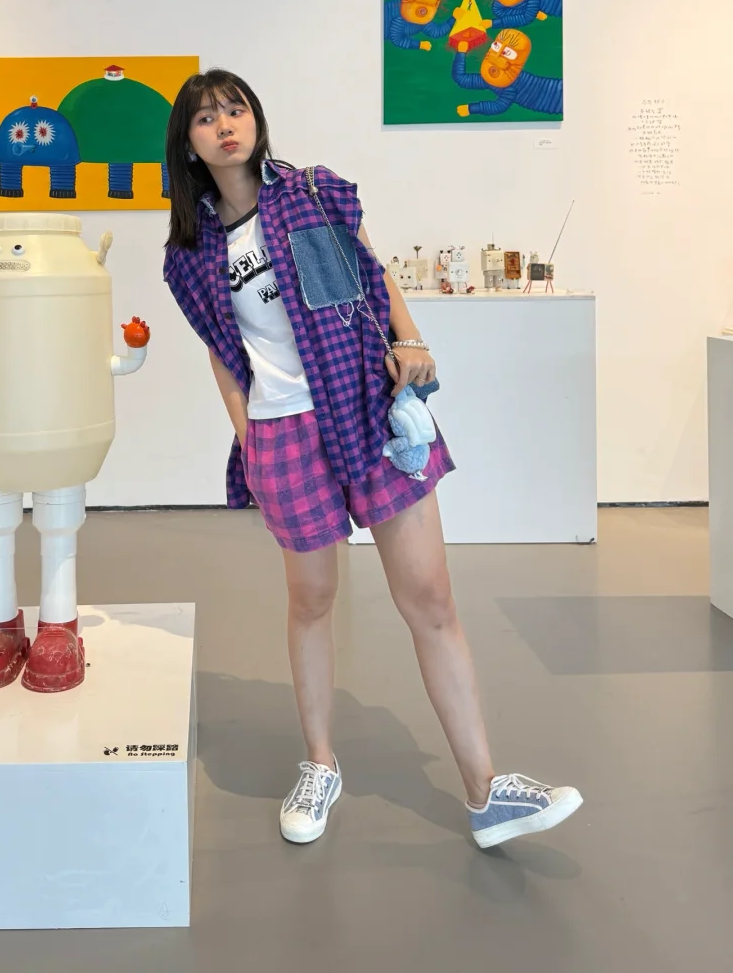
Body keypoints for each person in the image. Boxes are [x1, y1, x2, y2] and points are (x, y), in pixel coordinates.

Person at [162, 68, 582, 850]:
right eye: (206, 118)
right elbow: (222, 349)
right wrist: (246, 433)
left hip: (364, 400)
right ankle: (320, 763)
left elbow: (371, 271)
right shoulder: (191, 252)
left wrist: (411, 339)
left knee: (431, 599)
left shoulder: (310, 192)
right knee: (312, 602)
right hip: (283, 430)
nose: (225, 125)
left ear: (256, 118)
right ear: (187, 143)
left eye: (235, 109)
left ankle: (487, 792)